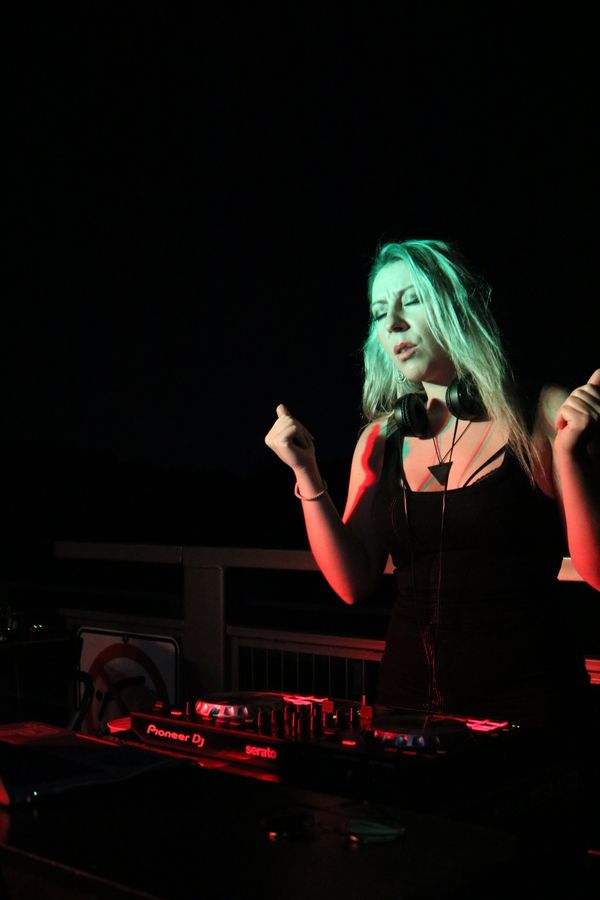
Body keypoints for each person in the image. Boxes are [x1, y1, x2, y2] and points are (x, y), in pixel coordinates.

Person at [265, 238, 600, 869]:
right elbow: (352, 582)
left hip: (530, 722)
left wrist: (572, 457)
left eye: (411, 301)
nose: (392, 324)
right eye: (378, 311)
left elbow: (598, 570)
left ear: (456, 307)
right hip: (405, 720)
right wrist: (308, 475)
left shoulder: (541, 414)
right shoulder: (381, 438)